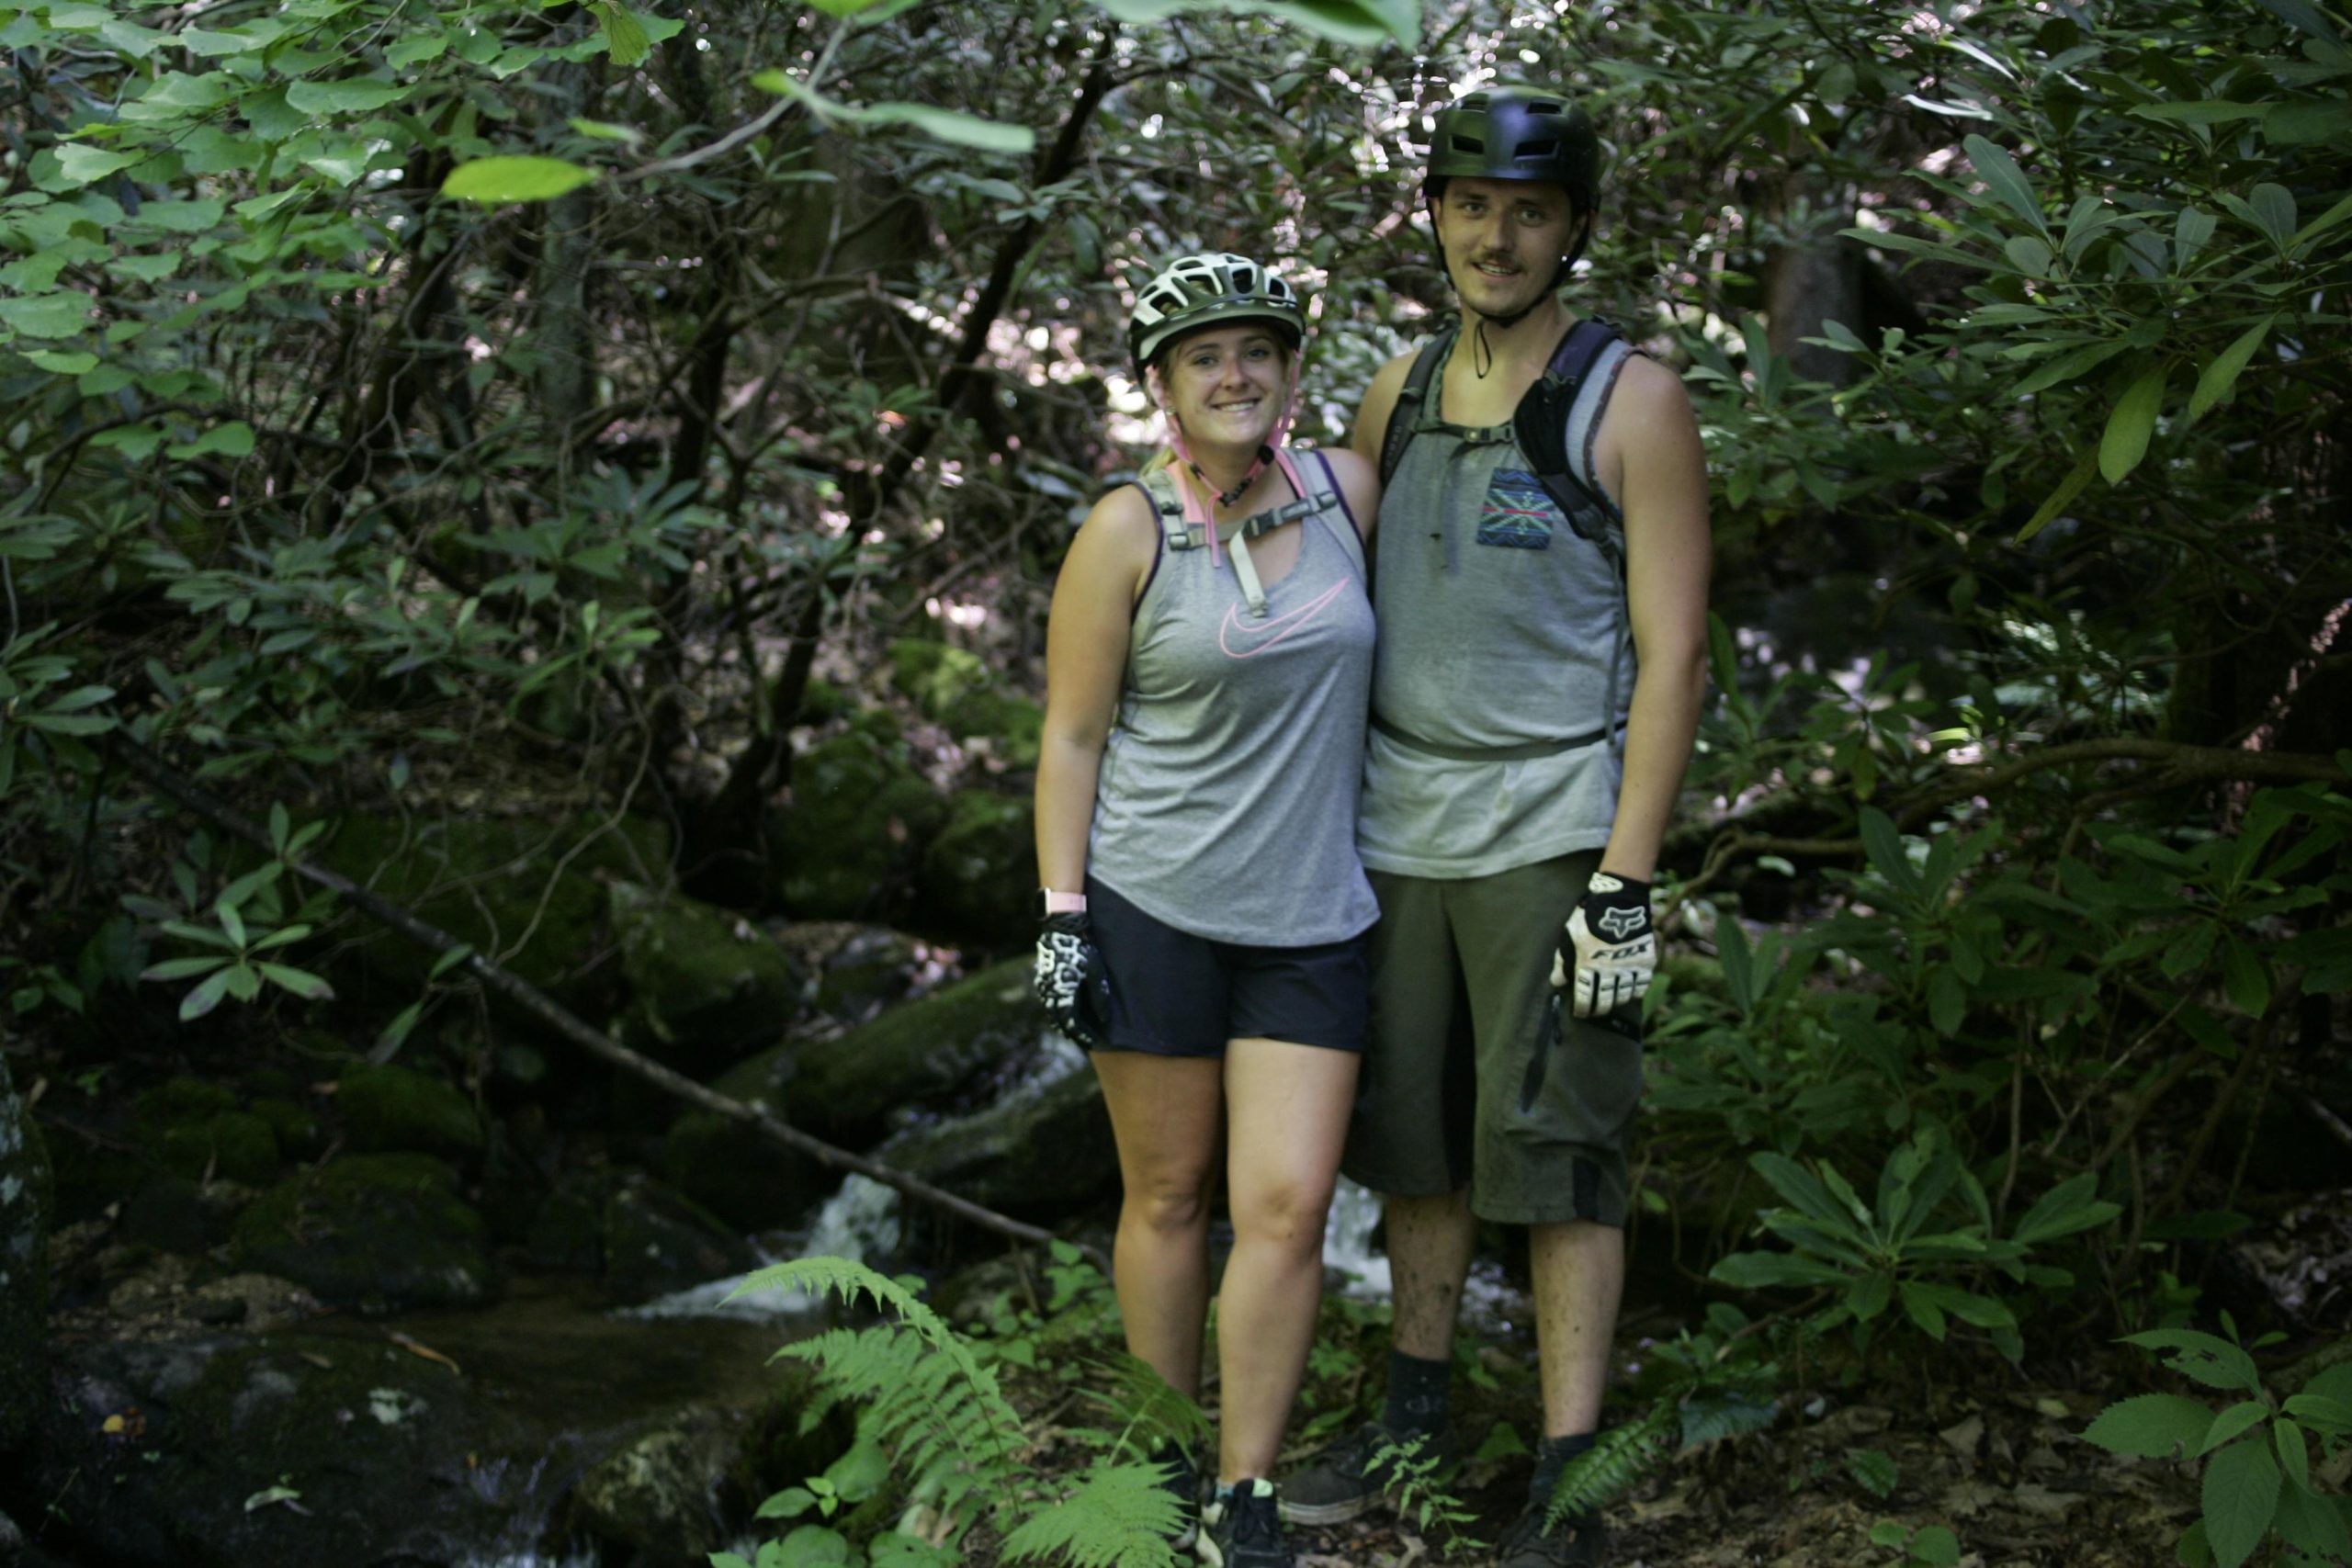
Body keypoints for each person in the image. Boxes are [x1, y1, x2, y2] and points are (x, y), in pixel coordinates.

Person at [1279, 84, 1712, 1566]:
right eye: (1473, 206)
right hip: (1397, 827)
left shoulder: (1628, 398)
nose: (1498, 235)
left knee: (1559, 1145)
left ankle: (1569, 1476)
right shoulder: (1390, 393)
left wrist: (1626, 881)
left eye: (1529, 210)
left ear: (1574, 225)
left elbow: (1678, 654)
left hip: (1551, 827)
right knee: (1414, 1137)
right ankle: (1414, 1415)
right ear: (1437, 218)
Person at [1032, 251, 1385, 1568]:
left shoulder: (1350, 494)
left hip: (1311, 914)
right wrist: (1065, 915)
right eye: (1202, 356)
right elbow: (1070, 736)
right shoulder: (1126, 528)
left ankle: (1247, 1489)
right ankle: (1164, 1456)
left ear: (1292, 374)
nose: (1233, 374)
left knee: (1287, 1207)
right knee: (1171, 1198)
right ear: (1164, 387)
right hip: (1155, 902)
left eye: (1257, 351)